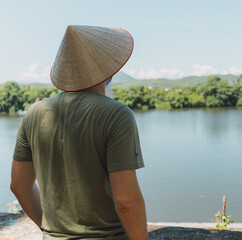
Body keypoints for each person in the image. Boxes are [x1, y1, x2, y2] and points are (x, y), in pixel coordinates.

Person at [10, 25, 148, 240]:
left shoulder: (33, 113)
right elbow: (127, 202)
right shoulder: (116, 114)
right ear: (109, 69)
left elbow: (19, 185)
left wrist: (50, 229)